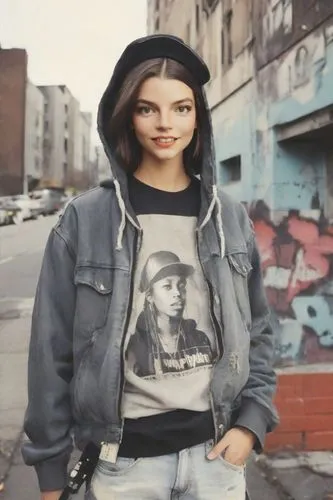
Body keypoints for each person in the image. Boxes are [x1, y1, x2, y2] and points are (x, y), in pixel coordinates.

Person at [22, 35, 278, 500]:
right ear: (126, 115)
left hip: (217, 459)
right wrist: (51, 472)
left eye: (181, 108)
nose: (166, 124)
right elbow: (50, 352)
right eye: (147, 109)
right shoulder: (86, 219)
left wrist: (251, 423)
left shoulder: (230, 218)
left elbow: (258, 329)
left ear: (198, 116)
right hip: (124, 468)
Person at [126, 250, 214, 377]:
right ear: (150, 295)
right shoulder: (135, 346)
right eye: (167, 286)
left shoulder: (200, 339)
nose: (177, 293)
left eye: (181, 285)